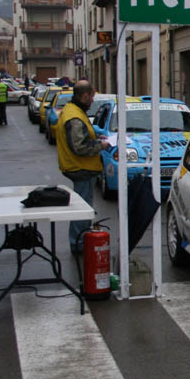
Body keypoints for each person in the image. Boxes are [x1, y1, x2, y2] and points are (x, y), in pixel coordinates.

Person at [56, 80, 110, 254]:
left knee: (82, 206)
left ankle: (80, 239)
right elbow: (79, 147)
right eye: (92, 97)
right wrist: (101, 145)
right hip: (81, 168)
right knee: (83, 209)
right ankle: (79, 243)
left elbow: (82, 137)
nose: (93, 101)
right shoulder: (75, 117)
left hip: (78, 167)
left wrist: (96, 137)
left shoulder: (73, 110)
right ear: (85, 96)